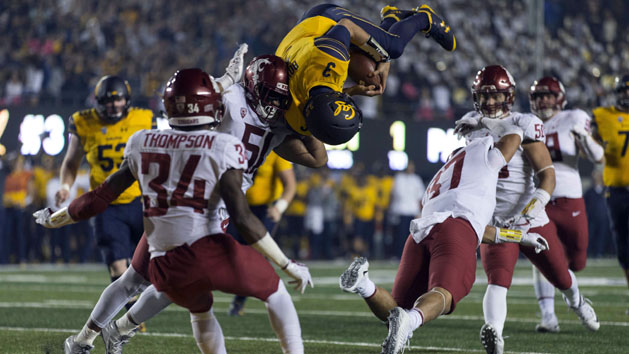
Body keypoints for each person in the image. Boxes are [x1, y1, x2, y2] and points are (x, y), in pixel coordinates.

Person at [35, 67, 314, 354]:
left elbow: (99, 196)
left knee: (161, 290)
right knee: (270, 292)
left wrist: (58, 217)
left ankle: (89, 339)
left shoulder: (142, 141)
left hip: (162, 247)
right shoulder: (224, 144)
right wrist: (287, 264)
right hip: (205, 242)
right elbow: (243, 217)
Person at [339, 117, 549, 354]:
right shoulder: (484, 159)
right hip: (455, 230)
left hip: (421, 232)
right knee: (444, 294)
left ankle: (364, 285)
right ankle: (411, 322)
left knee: (396, 311)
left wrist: (520, 238)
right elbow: (515, 134)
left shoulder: (442, 177)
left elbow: (481, 229)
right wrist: (485, 121)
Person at [457, 65, 599, 354]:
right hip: (496, 219)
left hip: (530, 215)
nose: (489, 103)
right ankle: (494, 334)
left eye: (496, 96)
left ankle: (577, 302)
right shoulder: (470, 123)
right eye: (484, 96)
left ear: (508, 96)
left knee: (561, 275)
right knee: (497, 281)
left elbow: (547, 174)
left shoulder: (525, 122)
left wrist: (534, 209)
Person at [275, 3, 456, 145]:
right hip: (304, 41)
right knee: (370, 75)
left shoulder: (329, 57)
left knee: (392, 48)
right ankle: (392, 18)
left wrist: (385, 59)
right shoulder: (291, 106)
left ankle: (425, 18)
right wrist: (352, 91)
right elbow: (319, 96)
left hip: (325, 19)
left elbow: (346, 27)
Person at [55, 73, 154, 299]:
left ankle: (139, 308)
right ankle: (131, 318)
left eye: (118, 99)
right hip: (105, 205)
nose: (114, 105)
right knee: (117, 267)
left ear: (127, 99)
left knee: (152, 265)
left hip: (141, 201)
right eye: (108, 101)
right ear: (98, 102)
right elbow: (71, 162)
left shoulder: (145, 118)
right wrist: (65, 187)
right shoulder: (84, 122)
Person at [528, 76, 604, 332]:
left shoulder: (573, 117)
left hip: (570, 198)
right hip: (540, 200)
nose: (543, 100)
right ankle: (548, 316)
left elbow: (598, 156)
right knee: (542, 256)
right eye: (539, 96)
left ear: (559, 97)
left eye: (548, 95)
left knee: (577, 261)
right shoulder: (527, 123)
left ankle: (567, 287)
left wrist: (584, 138)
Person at [228, 151, 297, 316]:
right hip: (238, 206)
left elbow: (290, 184)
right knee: (231, 252)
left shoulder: (275, 152)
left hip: (264, 209)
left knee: (256, 254)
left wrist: (278, 208)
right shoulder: (238, 146)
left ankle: (245, 299)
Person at [591, 74, 629, 314]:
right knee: (623, 246)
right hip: (616, 190)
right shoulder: (603, 116)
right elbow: (590, 143)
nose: (626, 94)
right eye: (623, 90)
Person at [388, 161, 425, 258]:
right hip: (400, 211)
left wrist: (419, 212)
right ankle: (398, 255)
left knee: (411, 237)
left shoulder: (416, 179)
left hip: (412, 212)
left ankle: (410, 256)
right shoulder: (399, 178)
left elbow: (420, 197)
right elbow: (394, 195)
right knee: (399, 236)